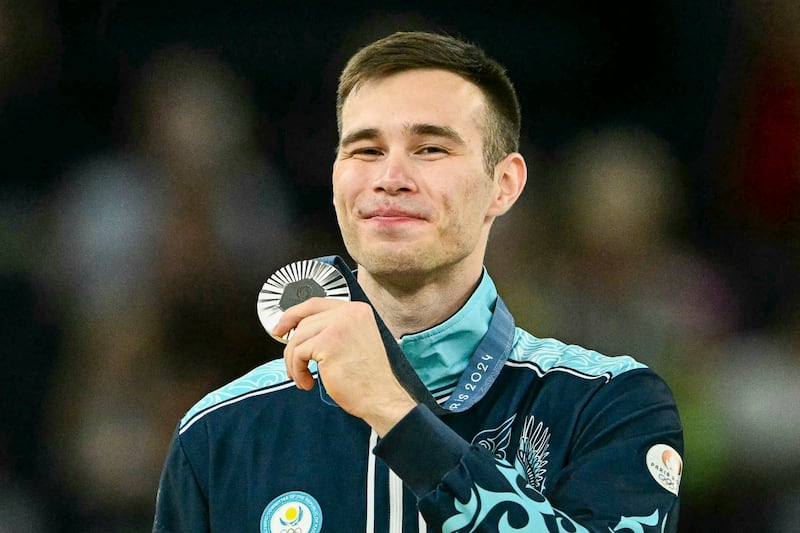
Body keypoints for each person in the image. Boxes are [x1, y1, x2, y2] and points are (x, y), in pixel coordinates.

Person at [153, 31, 683, 532]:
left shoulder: (608, 404)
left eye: (430, 148)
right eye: (365, 149)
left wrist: (392, 409)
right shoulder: (220, 433)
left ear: (504, 185)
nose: (390, 177)